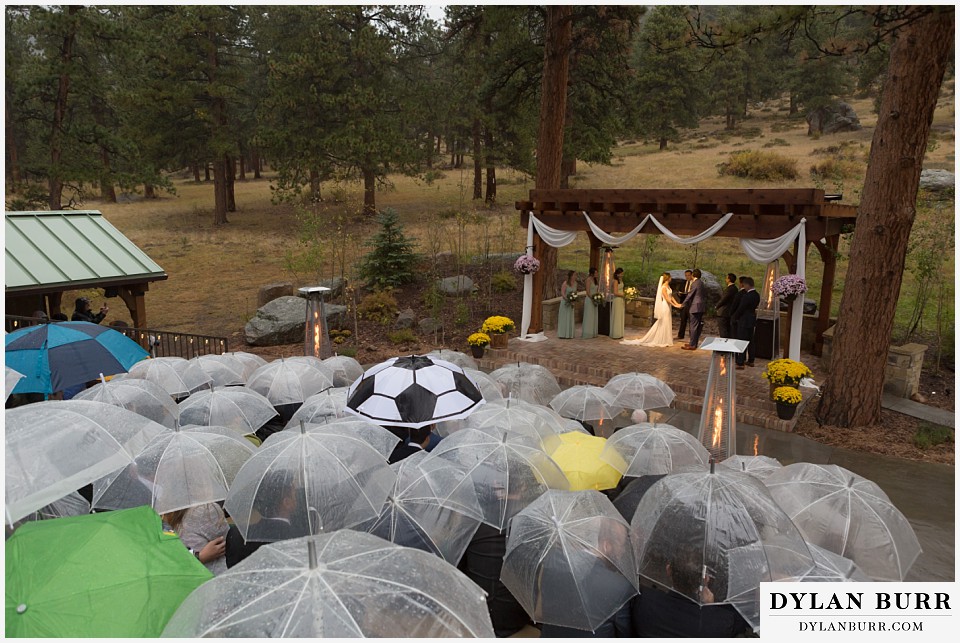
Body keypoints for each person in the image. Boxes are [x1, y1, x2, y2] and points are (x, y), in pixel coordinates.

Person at [631, 542, 749, 637]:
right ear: (706, 578)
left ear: (668, 570)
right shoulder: (721, 622)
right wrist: (711, 608)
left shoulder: (644, 601)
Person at [163, 504, 229, 575]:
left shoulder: (163, 516)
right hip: (216, 577)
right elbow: (228, 537)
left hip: (187, 579)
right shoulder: (206, 509)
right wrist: (200, 557)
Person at [621, 272, 681, 347]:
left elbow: (671, 297)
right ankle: (660, 338)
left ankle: (665, 338)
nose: (671, 278)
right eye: (670, 277)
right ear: (667, 278)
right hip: (665, 306)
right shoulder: (663, 287)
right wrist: (675, 305)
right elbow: (667, 299)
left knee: (667, 321)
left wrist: (677, 303)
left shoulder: (668, 286)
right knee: (663, 321)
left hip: (668, 307)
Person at [730, 276, 760, 369]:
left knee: (741, 340)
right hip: (751, 319)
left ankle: (740, 362)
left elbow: (741, 308)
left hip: (744, 320)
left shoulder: (747, 296)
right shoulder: (756, 295)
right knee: (750, 340)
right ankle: (751, 360)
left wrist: (735, 317)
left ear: (747, 285)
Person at [681, 269, 706, 350]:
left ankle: (692, 344)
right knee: (696, 326)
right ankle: (694, 343)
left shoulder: (695, 283)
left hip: (695, 307)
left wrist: (683, 304)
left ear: (693, 275)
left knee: (693, 326)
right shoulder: (701, 283)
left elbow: (690, 295)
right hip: (701, 306)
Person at [715, 273, 738, 339]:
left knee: (723, 331)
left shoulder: (730, 289)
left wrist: (716, 306)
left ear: (729, 279)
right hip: (728, 312)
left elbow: (724, 299)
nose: (726, 279)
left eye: (726, 278)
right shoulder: (735, 289)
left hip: (724, 312)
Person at [557, 271, 577, 339]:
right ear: (571, 276)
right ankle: (563, 334)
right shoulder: (565, 283)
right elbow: (562, 293)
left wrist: (574, 300)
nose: (575, 276)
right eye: (574, 275)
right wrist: (568, 299)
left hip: (571, 303)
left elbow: (575, 293)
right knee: (564, 318)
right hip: (565, 303)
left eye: (575, 275)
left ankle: (569, 334)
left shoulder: (575, 284)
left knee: (570, 317)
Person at [581, 267, 599, 339]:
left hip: (595, 299)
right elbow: (588, 292)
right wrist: (593, 298)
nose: (597, 274)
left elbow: (596, 290)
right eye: (596, 273)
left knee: (594, 316)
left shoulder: (595, 280)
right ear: (592, 273)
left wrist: (598, 297)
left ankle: (593, 332)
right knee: (589, 316)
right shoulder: (588, 280)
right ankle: (587, 332)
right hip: (589, 300)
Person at [675, 270, 693, 340]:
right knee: (683, 320)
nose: (687, 277)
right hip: (683, 303)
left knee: (691, 321)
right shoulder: (683, 283)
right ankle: (681, 335)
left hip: (691, 304)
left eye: (688, 275)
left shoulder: (694, 284)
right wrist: (679, 294)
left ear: (691, 275)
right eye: (686, 275)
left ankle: (691, 335)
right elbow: (679, 291)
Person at [609, 268, 625, 340]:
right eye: (621, 273)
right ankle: (615, 333)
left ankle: (620, 332)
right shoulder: (615, 281)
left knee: (620, 315)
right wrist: (623, 294)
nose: (622, 275)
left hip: (621, 300)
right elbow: (615, 292)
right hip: (617, 299)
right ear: (618, 274)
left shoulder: (621, 281)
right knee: (617, 316)